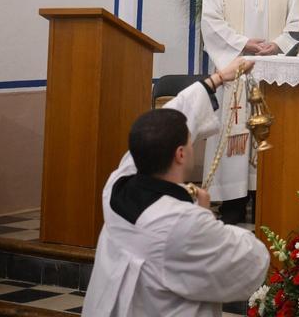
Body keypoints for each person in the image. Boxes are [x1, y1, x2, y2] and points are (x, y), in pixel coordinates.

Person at [83, 55, 270, 316]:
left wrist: (217, 78)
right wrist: (204, 214)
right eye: (190, 142)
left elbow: (173, 114)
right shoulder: (181, 222)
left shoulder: (116, 184)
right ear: (181, 154)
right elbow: (252, 263)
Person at [200, 0, 299, 223]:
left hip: (275, 74)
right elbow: (211, 22)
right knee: (235, 136)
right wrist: (244, 43)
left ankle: (265, 205)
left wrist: (279, 44)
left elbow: (297, 19)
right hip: (236, 73)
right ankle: (231, 207)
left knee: (269, 137)